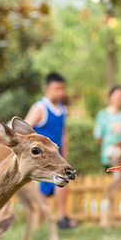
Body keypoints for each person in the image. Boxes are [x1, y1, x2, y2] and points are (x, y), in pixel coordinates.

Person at [24, 72, 77, 229]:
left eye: (62, 89)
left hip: (56, 156)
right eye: (57, 89)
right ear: (47, 89)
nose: (61, 92)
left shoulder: (62, 109)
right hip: (41, 157)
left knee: (57, 185)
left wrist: (64, 156)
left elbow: (63, 134)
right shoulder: (40, 108)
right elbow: (25, 128)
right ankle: (55, 219)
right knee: (49, 189)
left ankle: (58, 218)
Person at [94, 85, 121, 170]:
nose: (120, 99)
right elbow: (98, 138)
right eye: (117, 96)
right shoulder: (102, 115)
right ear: (110, 97)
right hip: (109, 157)